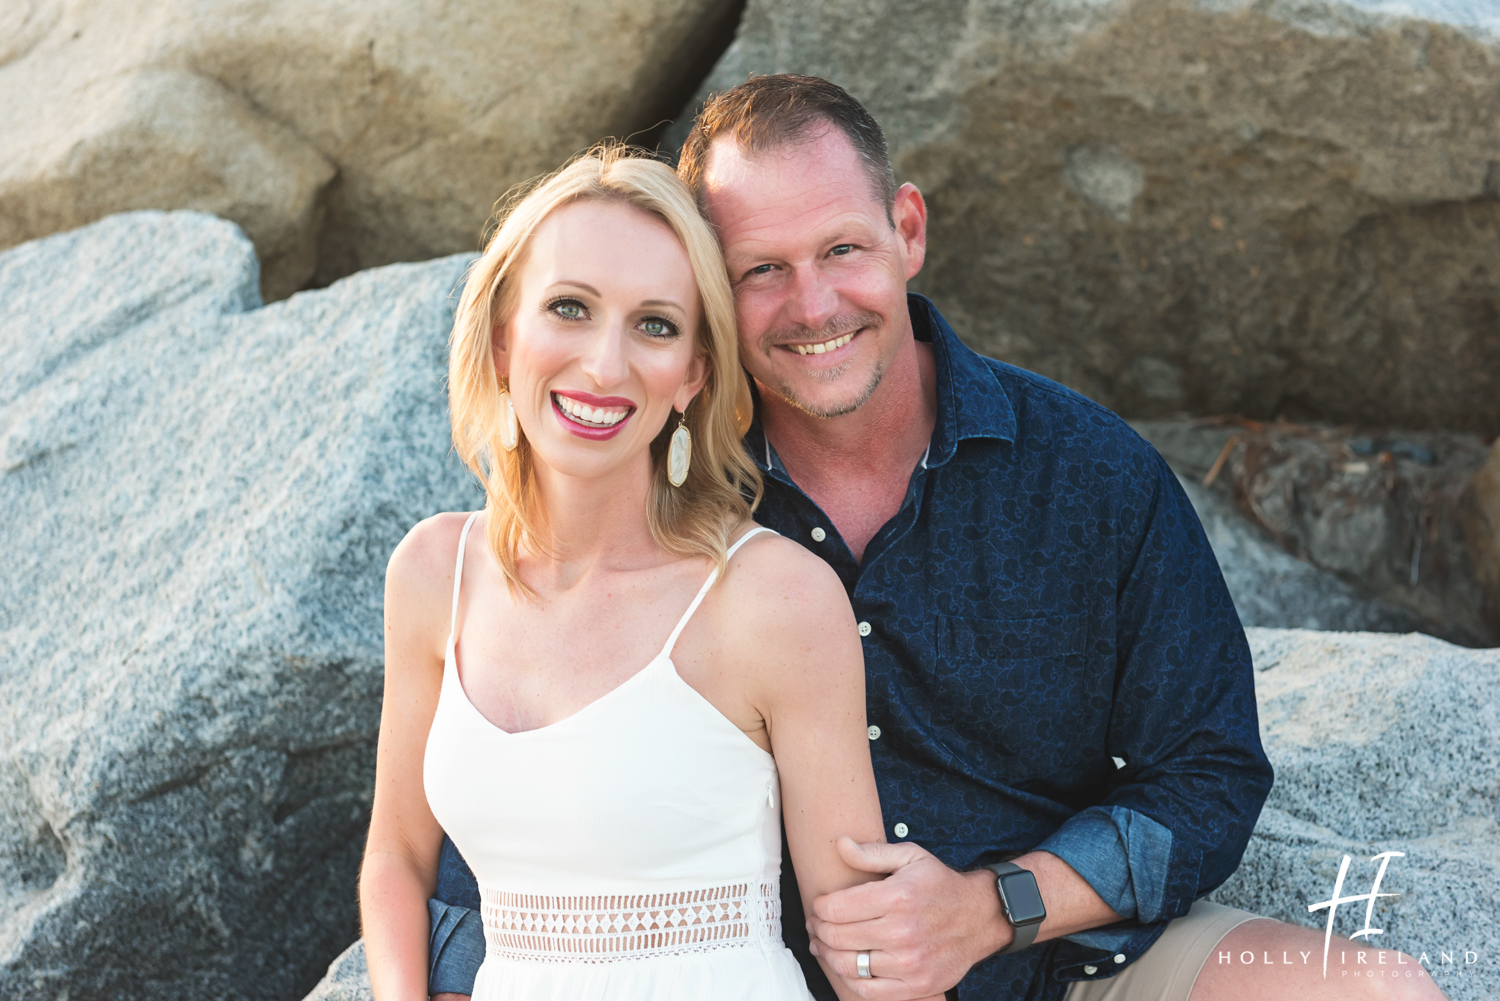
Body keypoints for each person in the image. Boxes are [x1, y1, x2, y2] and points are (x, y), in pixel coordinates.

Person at [425, 78, 1447, 1001]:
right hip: (771, 980)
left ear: (906, 229)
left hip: (1068, 960)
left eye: (842, 250)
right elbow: (513, 794)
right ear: (706, 292)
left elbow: (1208, 771)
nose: (814, 304)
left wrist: (995, 906)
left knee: (1377, 991)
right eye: (762, 270)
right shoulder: (662, 496)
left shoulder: (1085, 471)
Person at [358, 147, 933, 1001]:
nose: (605, 364)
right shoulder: (434, 574)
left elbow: (863, 945)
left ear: (694, 375)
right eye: (570, 308)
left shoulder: (771, 598)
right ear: (504, 335)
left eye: (655, 325)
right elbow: (397, 857)